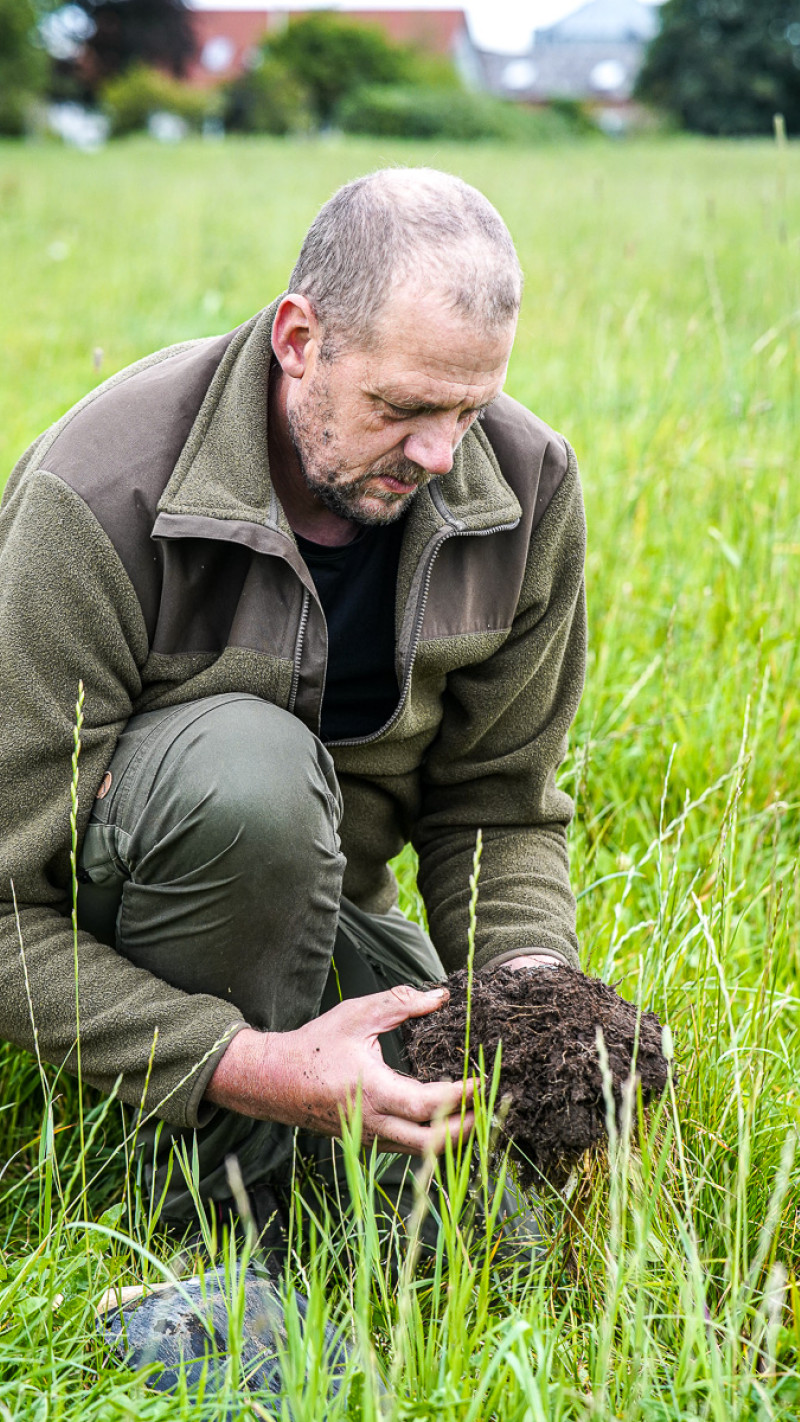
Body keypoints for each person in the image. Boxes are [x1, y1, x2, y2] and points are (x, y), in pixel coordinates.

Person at [0, 168, 586, 1247]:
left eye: (469, 406)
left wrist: (530, 995)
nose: (438, 455)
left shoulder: (524, 482)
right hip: (124, 947)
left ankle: (294, 1165)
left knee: (483, 1251)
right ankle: (187, 1208)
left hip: (327, 920)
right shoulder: (95, 498)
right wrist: (249, 1066)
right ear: (298, 338)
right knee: (249, 774)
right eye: (401, 408)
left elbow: (496, 807)